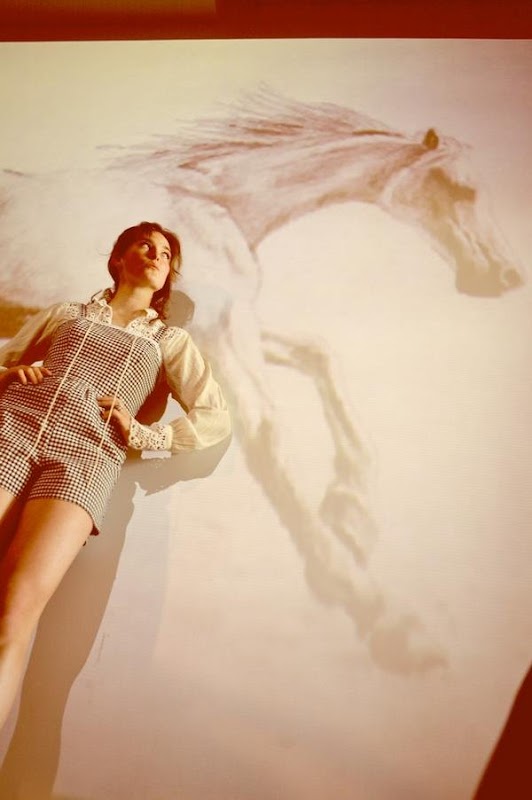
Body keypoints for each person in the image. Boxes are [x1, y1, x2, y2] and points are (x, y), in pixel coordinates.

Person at [0, 221, 231, 729]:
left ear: (167, 276)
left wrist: (145, 435)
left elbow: (215, 416)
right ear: (118, 258)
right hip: (13, 428)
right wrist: (10, 374)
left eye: (165, 254)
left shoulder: (169, 341)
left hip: (86, 458)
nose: (155, 255)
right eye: (144, 245)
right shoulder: (67, 313)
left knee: (15, 614)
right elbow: (7, 358)